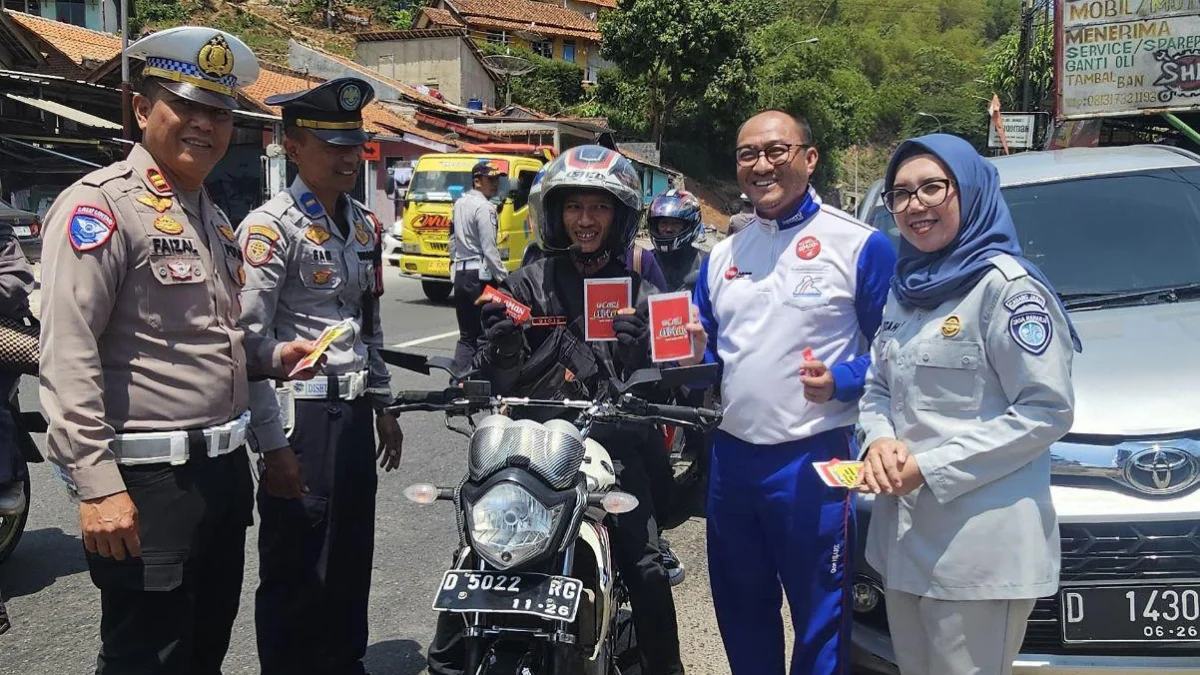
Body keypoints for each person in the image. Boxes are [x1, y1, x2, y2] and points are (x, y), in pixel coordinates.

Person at [37, 27, 320, 674]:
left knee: (203, 651)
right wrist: (98, 485)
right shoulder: (101, 207)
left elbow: (224, 345)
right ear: (141, 108)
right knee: (148, 658)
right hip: (146, 485)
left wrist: (272, 422)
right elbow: (67, 352)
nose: (203, 125)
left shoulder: (212, 218)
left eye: (218, 111)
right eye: (184, 105)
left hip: (220, 478)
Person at [427, 145, 697, 675]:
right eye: (574, 207)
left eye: (599, 208)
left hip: (612, 446)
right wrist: (502, 345)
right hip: (531, 445)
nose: (586, 220)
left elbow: (672, 383)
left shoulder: (641, 291)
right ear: (556, 213)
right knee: (475, 551)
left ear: (619, 217)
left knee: (644, 566)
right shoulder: (526, 282)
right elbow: (493, 375)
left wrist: (640, 349)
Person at [681, 109, 896, 675]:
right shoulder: (722, 256)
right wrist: (691, 354)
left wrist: (843, 381)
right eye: (748, 154)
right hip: (731, 459)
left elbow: (900, 355)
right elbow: (708, 353)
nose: (761, 165)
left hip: (818, 456)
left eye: (776, 150)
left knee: (821, 614)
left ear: (809, 157)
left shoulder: (859, 245)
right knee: (740, 607)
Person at [855, 134, 1078, 675]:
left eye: (932, 187)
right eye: (901, 193)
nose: (916, 205)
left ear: (970, 192)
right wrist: (879, 437)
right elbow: (878, 386)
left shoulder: (1008, 291)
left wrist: (927, 468)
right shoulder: (906, 289)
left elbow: (1046, 409)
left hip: (978, 551)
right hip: (903, 543)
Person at [236, 77, 405, 675]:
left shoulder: (363, 227)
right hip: (300, 416)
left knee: (352, 547)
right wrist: (271, 443)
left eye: (352, 145)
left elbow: (371, 324)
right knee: (295, 554)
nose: (346, 157)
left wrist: (384, 404)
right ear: (292, 144)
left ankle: (343, 660)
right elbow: (249, 348)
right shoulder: (268, 228)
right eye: (330, 144)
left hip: (354, 411)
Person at [449, 161, 507, 372]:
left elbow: (452, 241)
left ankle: (459, 380)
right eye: (490, 180)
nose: (495, 184)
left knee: (466, 336)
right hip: (480, 278)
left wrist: (453, 269)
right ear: (477, 181)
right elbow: (490, 249)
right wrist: (504, 279)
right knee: (486, 333)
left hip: (462, 274)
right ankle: (480, 382)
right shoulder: (485, 208)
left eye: (497, 180)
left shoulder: (459, 204)